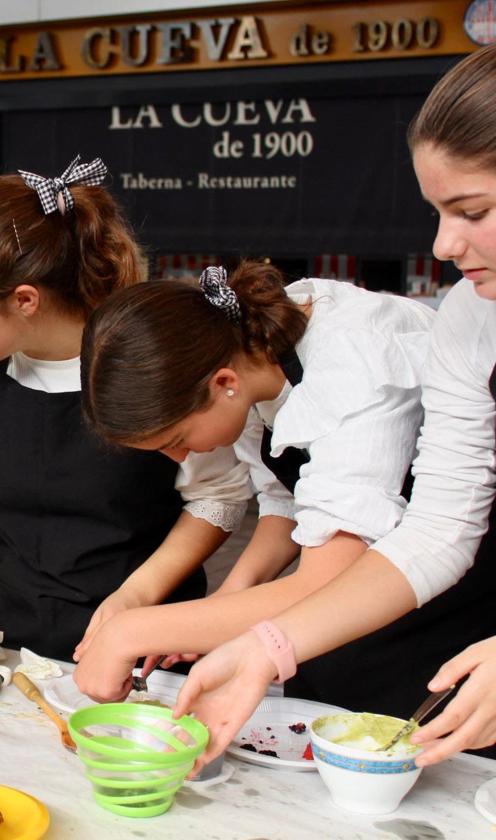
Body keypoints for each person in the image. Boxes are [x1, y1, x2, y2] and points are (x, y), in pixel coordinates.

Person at [170, 44, 496, 770]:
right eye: (437, 212)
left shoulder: (359, 355)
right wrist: (265, 647)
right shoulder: (471, 321)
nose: (445, 244)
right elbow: (441, 529)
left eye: (472, 211)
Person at [72, 259, 467, 712]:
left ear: (223, 384)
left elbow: (326, 584)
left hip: (442, 607)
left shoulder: (351, 364)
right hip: (348, 609)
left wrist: (136, 630)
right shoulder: (247, 354)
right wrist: (221, 606)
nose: (180, 458)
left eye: (176, 440)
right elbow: (290, 505)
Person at [0, 162, 251, 661]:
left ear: (25, 299)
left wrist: (135, 600)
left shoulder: (139, 353)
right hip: (14, 632)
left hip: (137, 643)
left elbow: (217, 495)